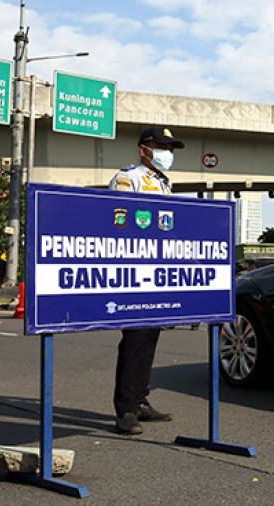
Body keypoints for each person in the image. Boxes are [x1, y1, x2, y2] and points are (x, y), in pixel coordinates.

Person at [108, 126, 185, 435]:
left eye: (171, 148)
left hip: (157, 269)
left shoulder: (163, 183)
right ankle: (125, 409)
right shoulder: (128, 178)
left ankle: (140, 400)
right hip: (134, 270)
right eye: (162, 146)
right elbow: (120, 222)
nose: (168, 153)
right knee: (136, 338)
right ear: (144, 149)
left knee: (150, 336)